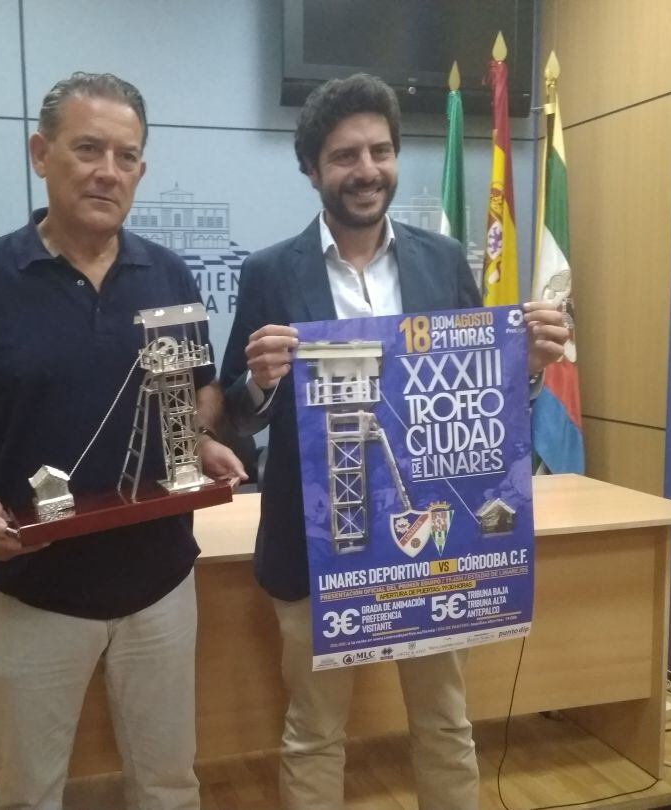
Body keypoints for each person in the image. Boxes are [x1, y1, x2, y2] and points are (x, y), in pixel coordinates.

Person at [0, 72, 245, 810]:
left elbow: (197, 390)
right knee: (27, 793)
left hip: (162, 586)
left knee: (170, 785)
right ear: (41, 154)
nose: (108, 170)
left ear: (141, 170)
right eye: (88, 148)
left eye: (127, 156)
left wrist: (200, 442)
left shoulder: (168, 274)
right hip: (32, 593)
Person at [219, 73, 568, 810]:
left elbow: (480, 394)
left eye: (380, 151)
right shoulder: (268, 273)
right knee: (314, 731)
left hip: (435, 542)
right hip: (318, 546)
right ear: (311, 168)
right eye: (344, 156)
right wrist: (258, 382)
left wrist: (526, 368)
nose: (366, 169)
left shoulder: (442, 261)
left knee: (445, 723)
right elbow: (234, 420)